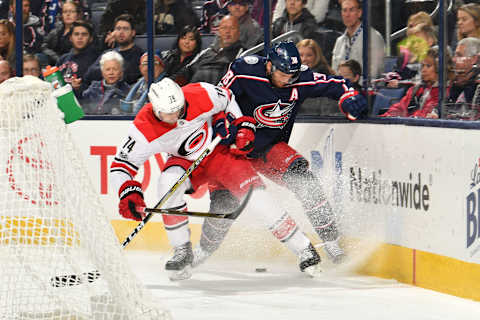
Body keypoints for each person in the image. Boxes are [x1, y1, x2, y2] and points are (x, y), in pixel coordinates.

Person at [109, 77, 324, 280]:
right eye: (169, 113)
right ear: (155, 109)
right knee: (166, 184)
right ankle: (182, 250)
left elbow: (228, 98)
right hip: (185, 161)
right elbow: (120, 166)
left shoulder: (199, 93)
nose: (177, 116)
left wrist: (241, 124)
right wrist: (128, 191)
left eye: (179, 109)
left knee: (256, 198)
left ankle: (304, 248)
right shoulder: (142, 129)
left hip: (220, 153)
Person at [190, 41, 367, 268]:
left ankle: (332, 243)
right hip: (233, 150)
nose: (287, 80)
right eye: (283, 74)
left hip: (268, 148)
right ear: (269, 66)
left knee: (306, 182)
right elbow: (217, 100)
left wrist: (348, 97)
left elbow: (338, 84)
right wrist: (226, 128)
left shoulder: (300, 78)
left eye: (292, 76)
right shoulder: (244, 71)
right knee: (224, 205)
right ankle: (203, 250)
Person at [379, 46, 453, 119]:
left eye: (428, 66)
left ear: (441, 68)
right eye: (422, 65)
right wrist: (387, 117)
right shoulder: (416, 89)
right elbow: (399, 108)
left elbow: (424, 116)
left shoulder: (445, 93)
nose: (423, 70)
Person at [180, 15, 244, 85]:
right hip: (191, 90)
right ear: (219, 31)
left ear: (239, 32)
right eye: (224, 28)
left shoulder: (242, 55)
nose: (227, 31)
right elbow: (186, 72)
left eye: (232, 28)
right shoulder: (207, 52)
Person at [85, 14, 144, 86]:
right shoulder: (108, 52)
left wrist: (105, 70)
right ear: (114, 32)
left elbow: (128, 76)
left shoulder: (138, 54)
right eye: (118, 29)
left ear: (133, 32)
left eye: (125, 29)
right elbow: (89, 74)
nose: (121, 32)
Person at [331, 0, 385, 78]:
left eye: (351, 10)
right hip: (342, 88)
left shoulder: (373, 37)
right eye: (344, 10)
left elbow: (373, 74)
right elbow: (334, 72)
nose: (347, 14)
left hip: (364, 88)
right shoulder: (339, 41)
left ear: (359, 13)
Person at [56, 20, 99, 97]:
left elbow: (95, 90)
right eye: (76, 34)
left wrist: (79, 88)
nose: (80, 37)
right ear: (70, 38)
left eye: (84, 34)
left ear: (90, 39)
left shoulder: (95, 61)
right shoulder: (63, 58)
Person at [296, 38, 338, 116]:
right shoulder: (289, 75)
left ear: (316, 56)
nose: (304, 59)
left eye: (309, 55)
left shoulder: (324, 76)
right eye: (300, 55)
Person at [81, 50, 130, 115]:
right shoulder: (93, 88)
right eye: (107, 69)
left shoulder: (127, 91)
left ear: (121, 72)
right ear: (102, 72)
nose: (111, 73)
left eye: (115, 69)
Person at [447, 37, 480, 117]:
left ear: (474, 59)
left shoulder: (477, 87)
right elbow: (445, 108)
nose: (454, 60)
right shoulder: (457, 85)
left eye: (459, 55)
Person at [41, 0, 81, 65]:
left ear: (78, 14)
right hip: (55, 62)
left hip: (73, 64)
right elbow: (44, 46)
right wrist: (56, 57)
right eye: (65, 12)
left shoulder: (82, 31)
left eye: (71, 11)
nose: (68, 14)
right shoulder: (57, 30)